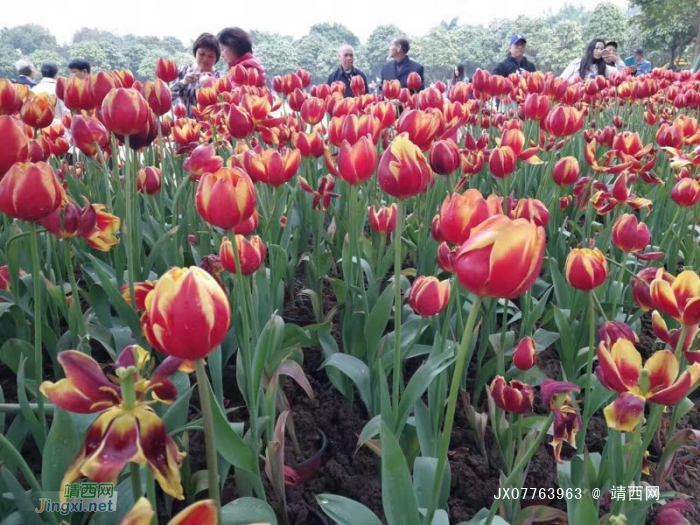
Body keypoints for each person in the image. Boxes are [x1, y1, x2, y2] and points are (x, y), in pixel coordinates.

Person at [171, 32, 221, 116]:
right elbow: (169, 95)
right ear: (195, 52)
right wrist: (183, 82)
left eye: (211, 56)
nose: (205, 59)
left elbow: (222, 105)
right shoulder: (182, 71)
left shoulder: (219, 78)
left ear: (216, 58)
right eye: (201, 54)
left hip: (208, 127)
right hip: (184, 125)